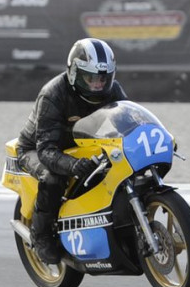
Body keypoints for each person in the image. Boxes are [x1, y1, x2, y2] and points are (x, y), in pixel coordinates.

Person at [16, 38, 127, 264]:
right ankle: (42, 236)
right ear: (75, 72)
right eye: (91, 78)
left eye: (103, 78)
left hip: (82, 144)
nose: (98, 85)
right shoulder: (53, 94)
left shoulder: (113, 90)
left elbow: (128, 121)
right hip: (37, 148)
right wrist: (73, 166)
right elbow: (46, 150)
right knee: (53, 178)